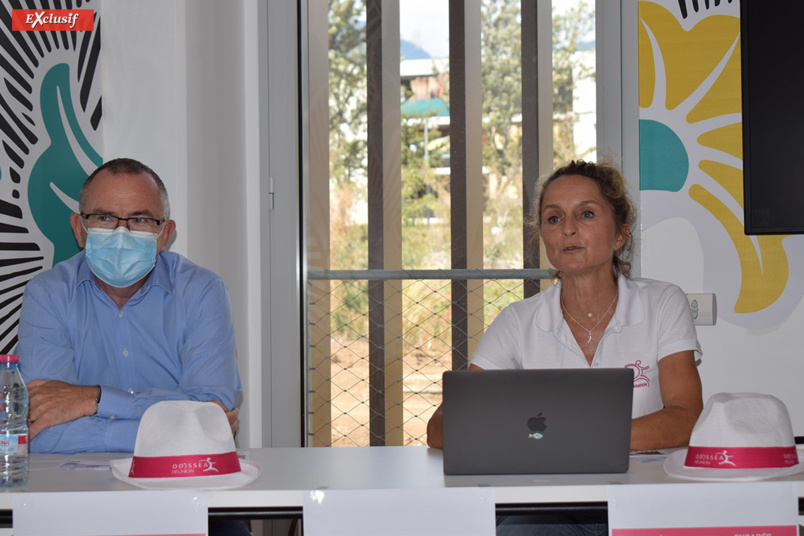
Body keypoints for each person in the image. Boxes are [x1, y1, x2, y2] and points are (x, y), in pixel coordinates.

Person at [426, 160, 703, 535]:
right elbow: (441, 426)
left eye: (586, 214)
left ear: (620, 233)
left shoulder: (663, 303)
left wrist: (558, 439)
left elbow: (687, 419)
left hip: (645, 502)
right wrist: (574, 440)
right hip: (548, 507)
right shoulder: (517, 320)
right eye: (553, 218)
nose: (568, 229)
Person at [17, 158, 248, 535]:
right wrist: (180, 423)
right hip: (74, 496)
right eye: (105, 218)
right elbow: (45, 434)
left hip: (184, 487)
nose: (122, 232)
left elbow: (212, 427)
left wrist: (93, 399)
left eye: (140, 219)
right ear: (80, 228)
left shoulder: (202, 291)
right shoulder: (47, 294)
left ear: (165, 234)